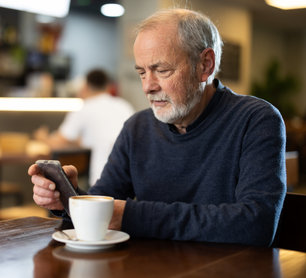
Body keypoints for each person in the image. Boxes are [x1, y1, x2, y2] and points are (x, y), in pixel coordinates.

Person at [29, 8, 286, 247]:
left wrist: (130, 216)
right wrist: (67, 198)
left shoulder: (256, 120)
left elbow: (256, 224)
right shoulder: (137, 128)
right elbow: (107, 206)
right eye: (142, 72)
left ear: (205, 65)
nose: (147, 87)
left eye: (161, 70)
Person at [34, 69, 134, 187]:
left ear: (85, 87)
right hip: (132, 177)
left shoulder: (85, 108)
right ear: (108, 86)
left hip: (104, 177)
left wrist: (41, 138)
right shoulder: (124, 105)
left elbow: (58, 143)